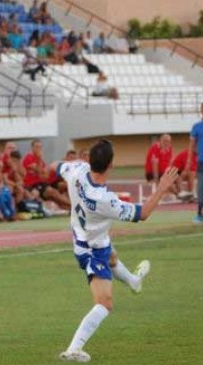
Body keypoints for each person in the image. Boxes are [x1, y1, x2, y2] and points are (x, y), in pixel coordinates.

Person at [52, 139, 178, 362]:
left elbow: (55, 166)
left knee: (112, 256)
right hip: (90, 250)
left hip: (88, 237)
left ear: (89, 160)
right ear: (111, 166)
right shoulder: (105, 200)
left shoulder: (77, 169)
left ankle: (133, 281)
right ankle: (74, 348)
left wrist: (58, 171)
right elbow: (143, 213)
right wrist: (162, 187)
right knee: (105, 303)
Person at [23, 139, 71, 210]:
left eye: (40, 147)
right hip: (32, 185)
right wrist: (40, 159)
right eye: (36, 147)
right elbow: (39, 170)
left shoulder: (40, 160)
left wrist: (41, 166)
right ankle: (75, 207)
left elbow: (45, 175)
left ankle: (71, 209)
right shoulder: (29, 158)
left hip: (41, 183)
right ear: (32, 148)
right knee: (53, 193)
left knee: (55, 196)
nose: (38, 149)